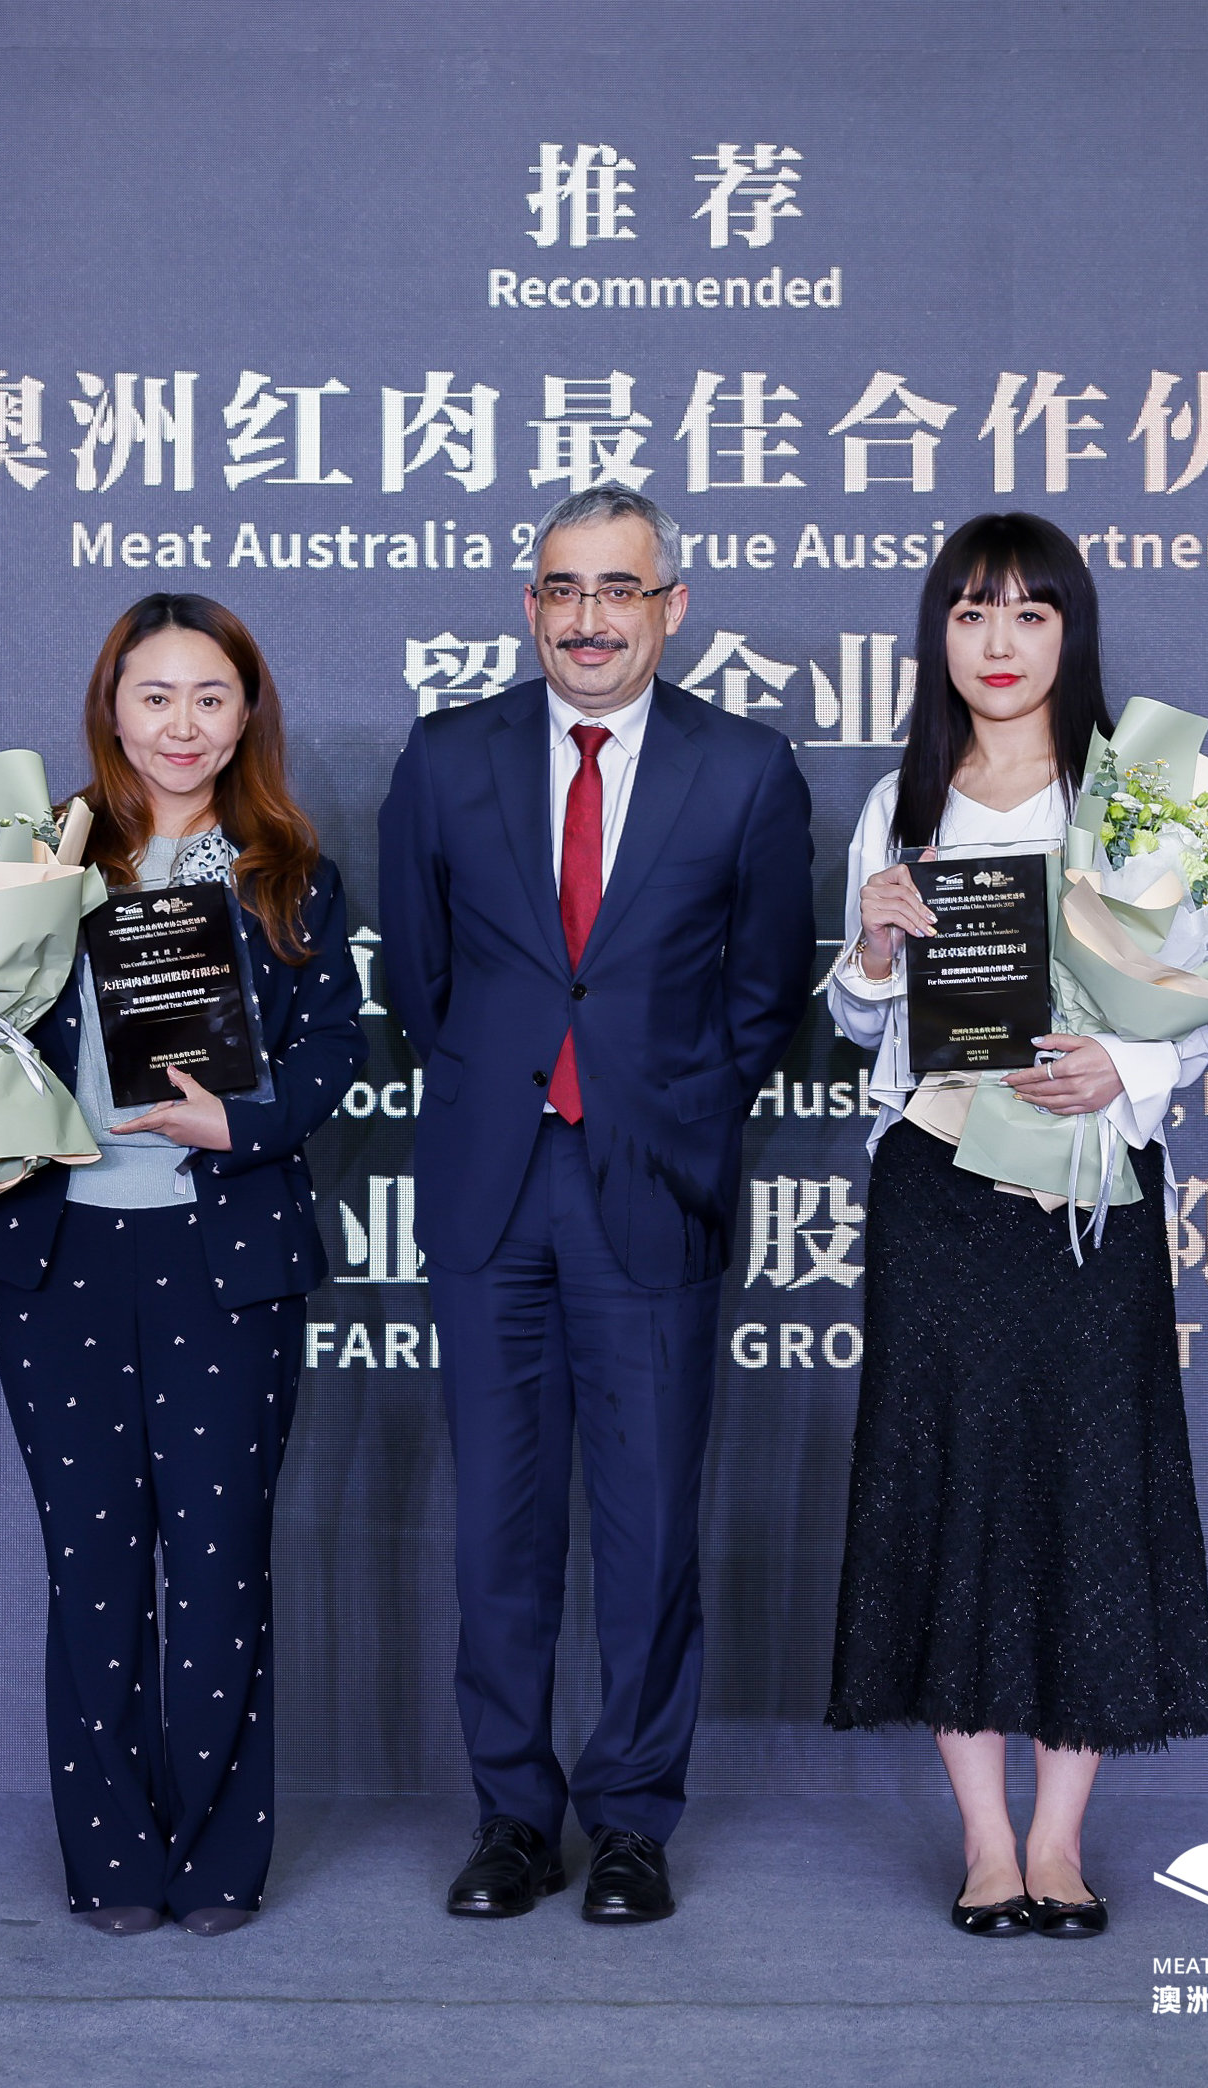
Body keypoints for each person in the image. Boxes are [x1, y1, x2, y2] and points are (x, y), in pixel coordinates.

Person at [0, 593, 365, 1937]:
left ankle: (218, 1860)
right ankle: (112, 1860)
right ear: (112, 710)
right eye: (156, 696)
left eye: (211, 696)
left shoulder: (290, 874)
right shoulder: (33, 861)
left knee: (219, 1565)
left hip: (225, 1257)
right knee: (92, 1568)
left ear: (246, 715)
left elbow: (336, 1047)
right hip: (63, 1253)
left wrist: (243, 1120)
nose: (182, 724)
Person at [378, 486, 816, 1924]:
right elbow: (421, 982)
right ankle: (513, 1817)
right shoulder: (447, 759)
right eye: (563, 589)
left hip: (651, 1189)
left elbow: (765, 993)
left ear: (671, 607)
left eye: (619, 590)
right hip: (492, 1190)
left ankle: (631, 1819)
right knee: (498, 1530)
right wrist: (511, 1084)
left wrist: (670, 1111)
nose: (588, 619)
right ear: (529, 607)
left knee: (648, 1529)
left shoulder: (745, 770)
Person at [821, 513, 1208, 1940]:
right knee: (947, 1490)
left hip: (1087, 1195)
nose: (998, 643)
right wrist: (874, 946)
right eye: (971, 613)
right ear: (938, 634)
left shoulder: (1139, 808)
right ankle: (986, 1846)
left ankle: (1060, 1840)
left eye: (1029, 614)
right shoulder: (904, 805)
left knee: (1087, 1493)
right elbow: (859, 1021)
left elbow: (1202, 1000)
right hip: (939, 1192)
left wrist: (1129, 1067)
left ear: (1072, 632)